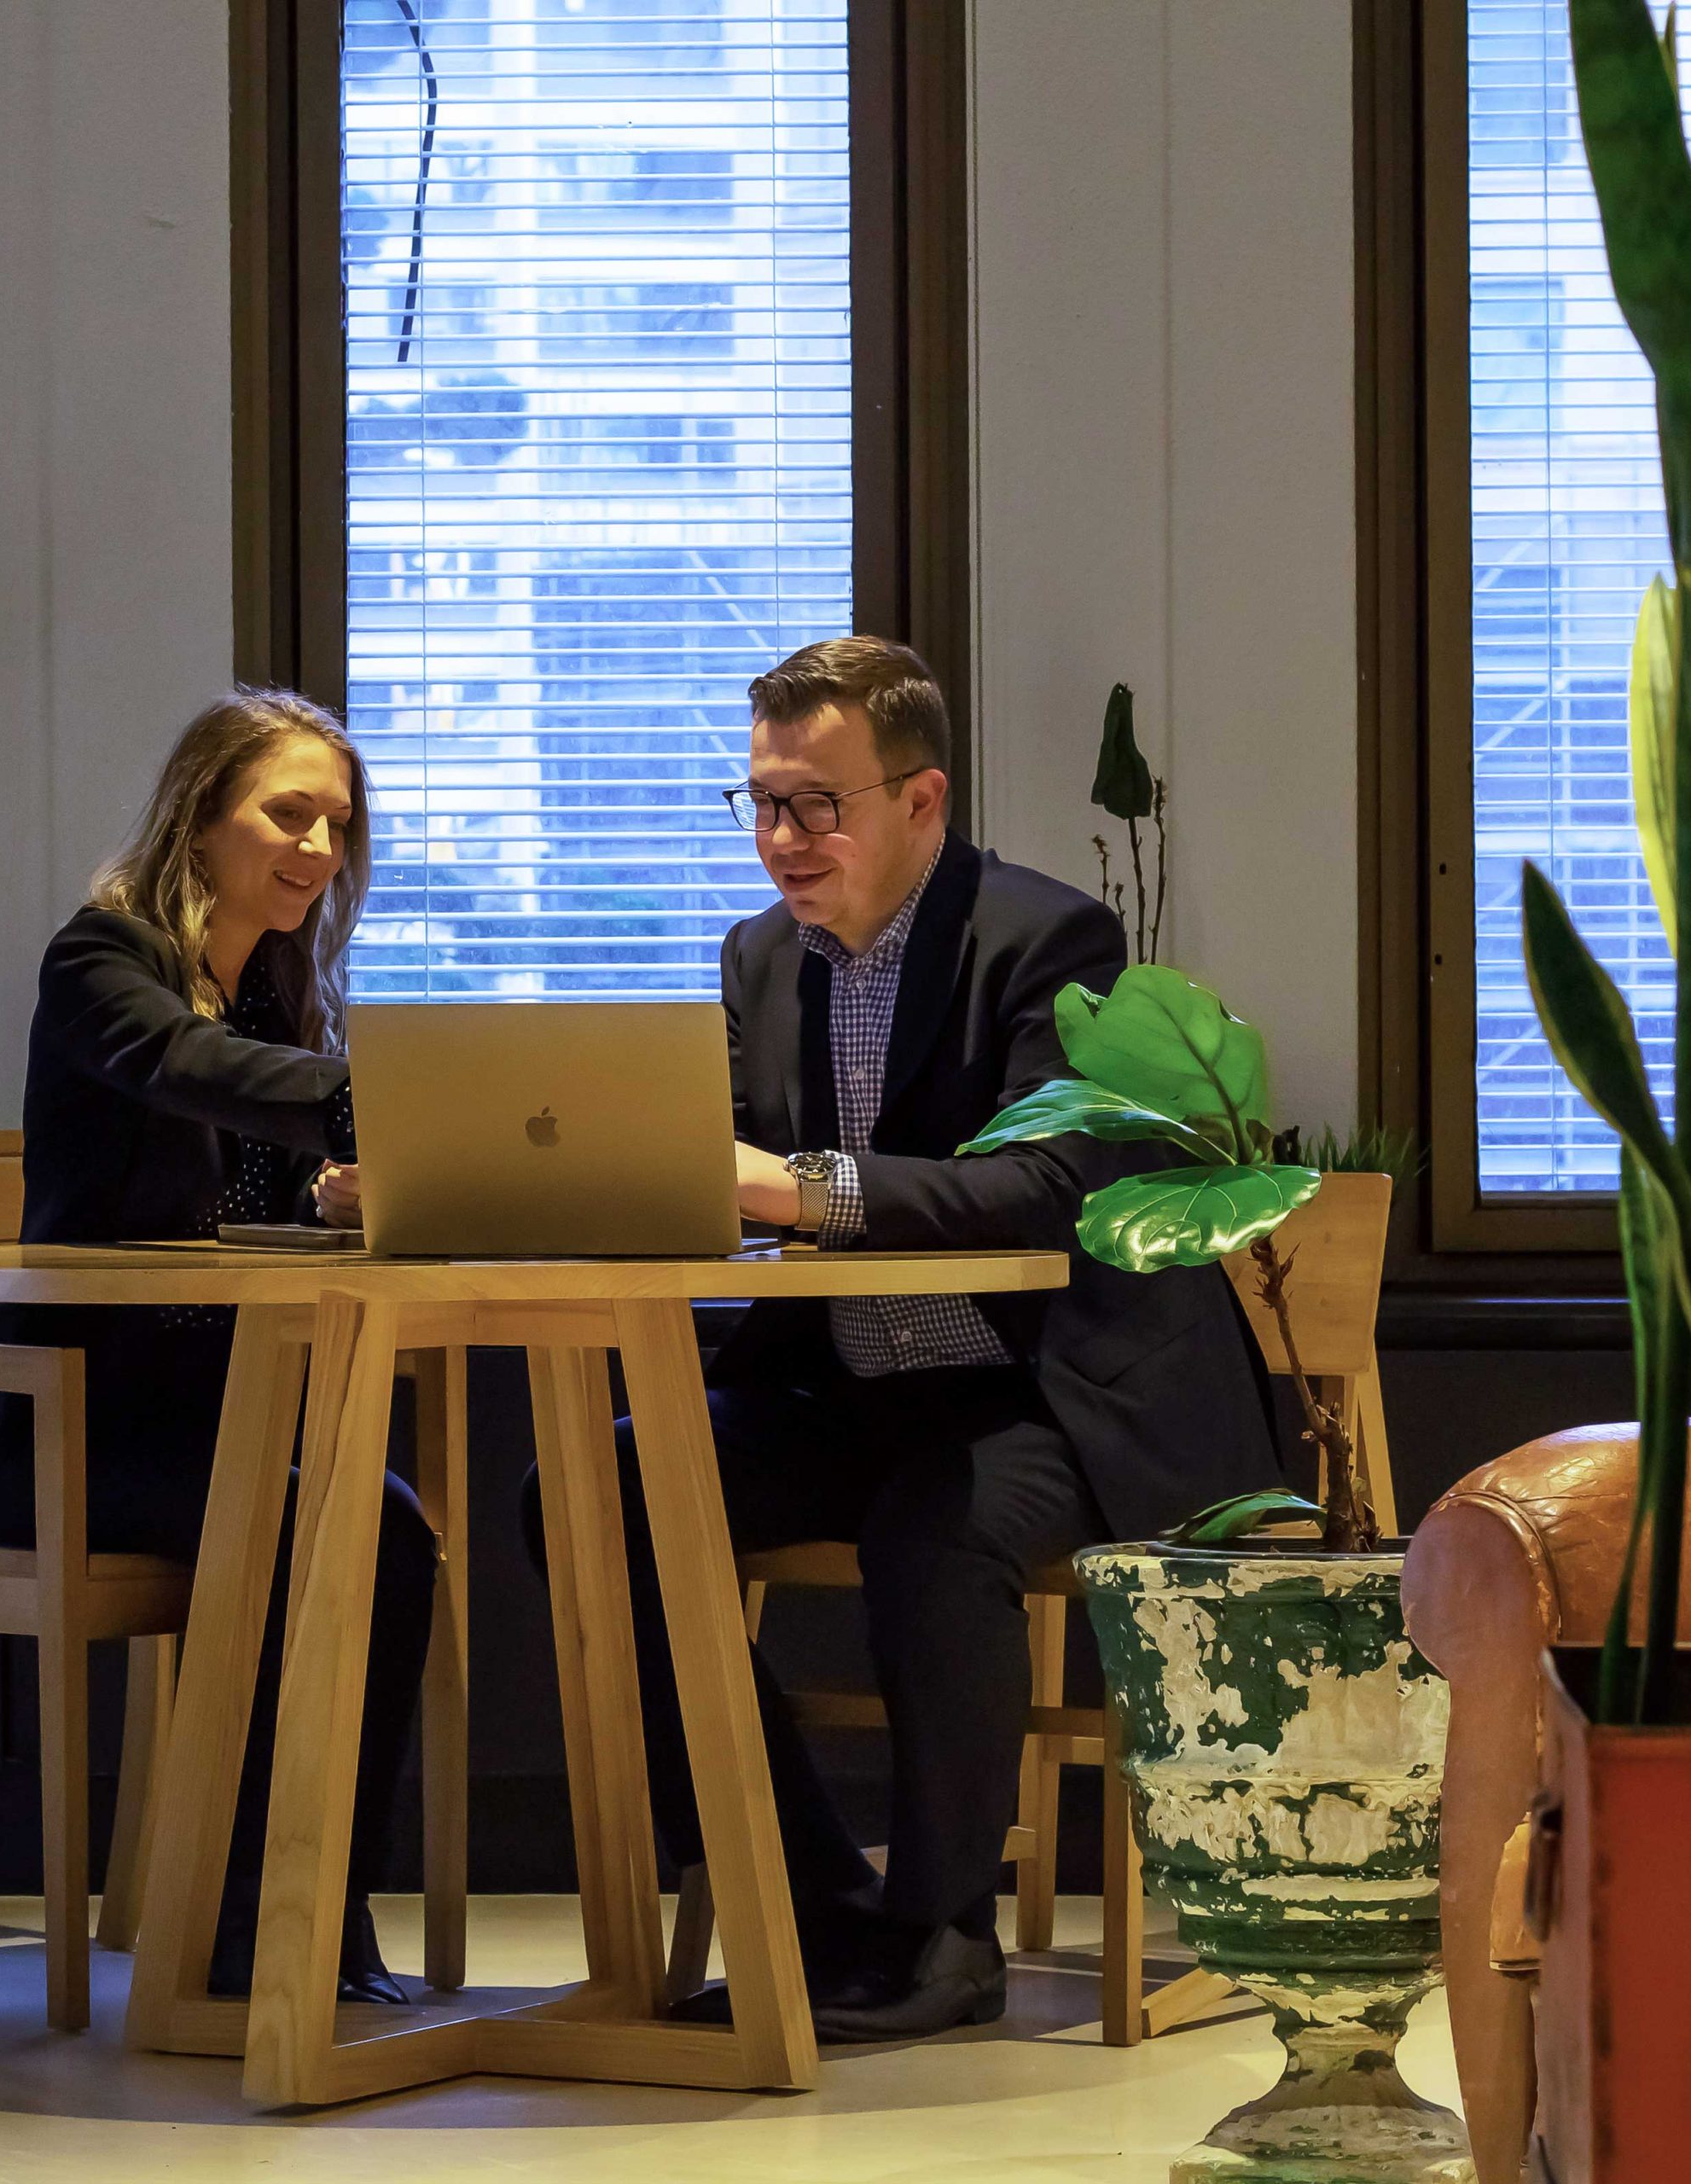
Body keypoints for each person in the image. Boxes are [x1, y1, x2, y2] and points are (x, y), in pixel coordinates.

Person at [526, 636, 1279, 2043]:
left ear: (920, 801)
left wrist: (793, 1185)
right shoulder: (757, 956)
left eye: (817, 804)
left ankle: (941, 1933)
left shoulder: (1052, 941)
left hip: (1046, 1389)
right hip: (848, 1379)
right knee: (590, 1490)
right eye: (759, 802)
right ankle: (804, 1903)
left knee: (938, 1527)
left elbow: (1049, 1187)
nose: (781, 839)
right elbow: (719, 1172)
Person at [0, 686, 435, 2002]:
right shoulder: (101, 960)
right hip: (65, 1432)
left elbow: (252, 1188)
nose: (320, 850)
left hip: (218, 1424)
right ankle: (248, 1934)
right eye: (290, 814)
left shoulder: (280, 989)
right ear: (199, 816)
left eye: (339, 824)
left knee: (386, 1528)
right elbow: (185, 1071)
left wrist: (333, 1197)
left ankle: (312, 1914)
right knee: (321, 1527)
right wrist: (399, 1097)